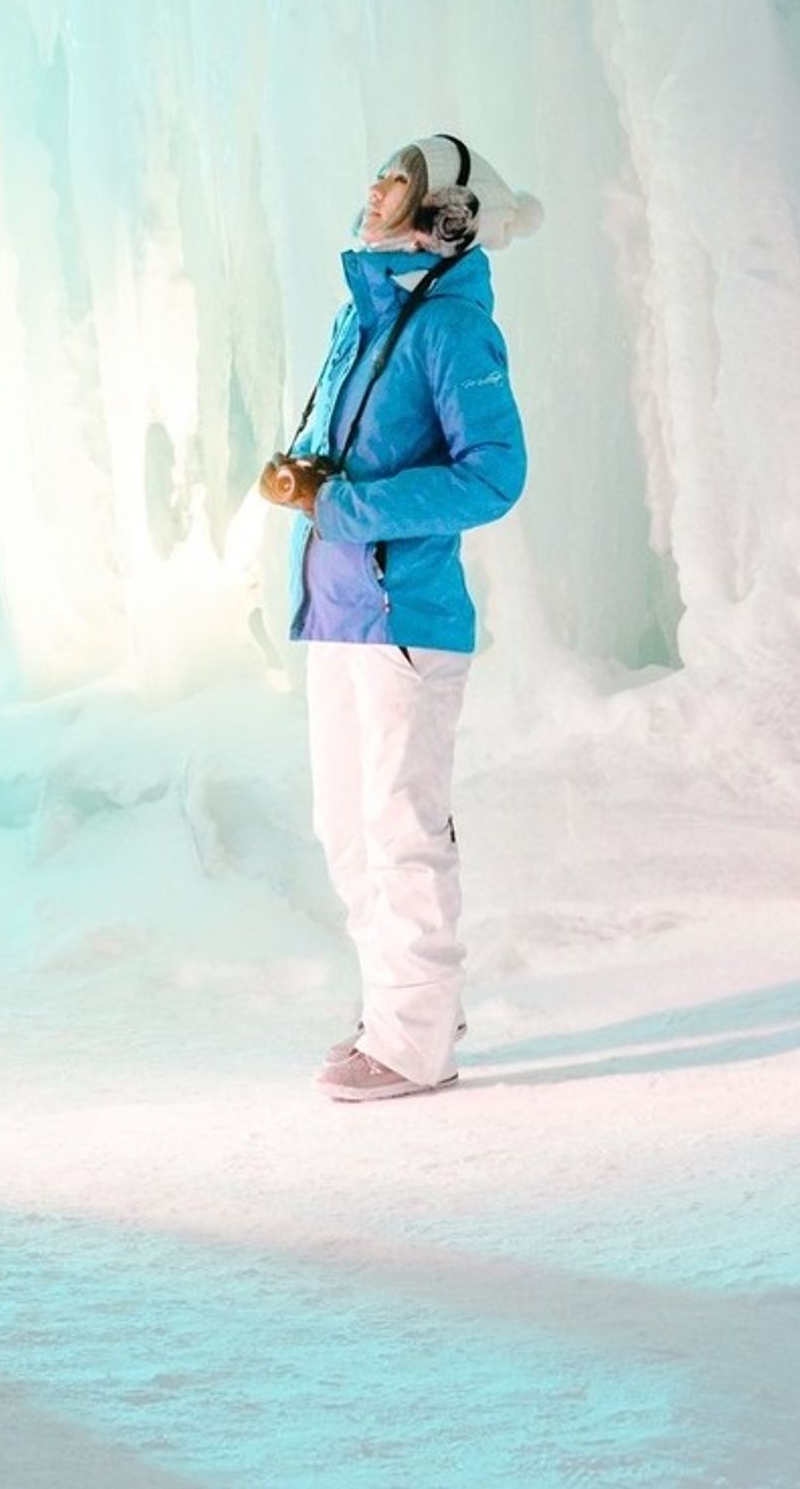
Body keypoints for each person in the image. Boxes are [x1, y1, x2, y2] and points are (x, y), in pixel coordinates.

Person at [258, 133, 540, 1104]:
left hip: (403, 613)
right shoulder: (368, 315)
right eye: (380, 173)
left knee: (400, 824)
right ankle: (401, 1009)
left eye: (399, 180)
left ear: (445, 215)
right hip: (336, 608)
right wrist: (309, 474)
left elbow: (494, 470)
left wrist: (351, 507)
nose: (375, 189)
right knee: (344, 824)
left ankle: (416, 1042)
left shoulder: (451, 327)